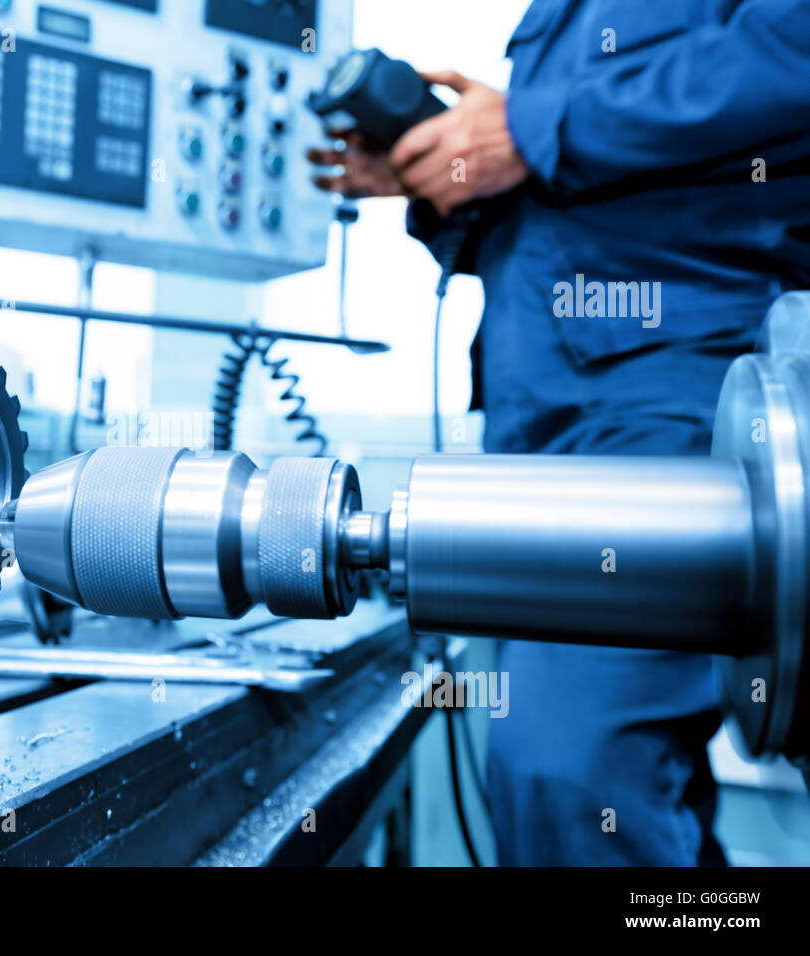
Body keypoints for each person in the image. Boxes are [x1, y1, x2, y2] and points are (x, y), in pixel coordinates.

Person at [308, 0, 810, 865]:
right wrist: (438, 175)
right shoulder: (563, 20)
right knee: (610, 784)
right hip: (540, 425)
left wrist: (529, 125)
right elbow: (580, 211)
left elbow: (788, 59)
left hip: (676, 410)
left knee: (565, 766)